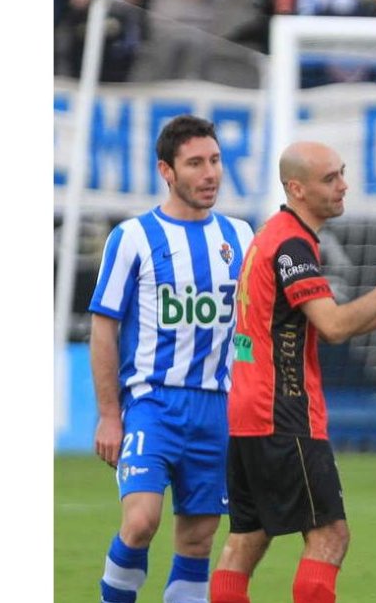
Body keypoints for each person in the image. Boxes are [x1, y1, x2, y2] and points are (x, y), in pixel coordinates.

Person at [207, 141, 376, 603]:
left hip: (249, 410)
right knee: (330, 536)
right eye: (330, 178)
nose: (343, 186)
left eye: (342, 173)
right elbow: (333, 327)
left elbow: (311, 327)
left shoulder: (272, 235)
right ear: (296, 188)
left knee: (246, 542)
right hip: (283, 411)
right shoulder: (292, 244)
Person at [88, 114, 255, 603]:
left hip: (217, 409)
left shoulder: (241, 237)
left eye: (216, 161)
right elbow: (104, 327)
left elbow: (249, 327)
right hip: (152, 403)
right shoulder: (133, 238)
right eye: (196, 163)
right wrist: (108, 416)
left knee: (198, 539)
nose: (211, 174)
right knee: (140, 522)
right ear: (167, 170)